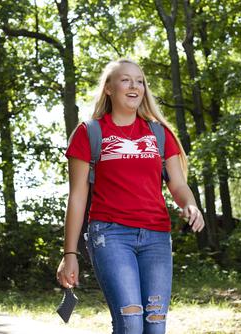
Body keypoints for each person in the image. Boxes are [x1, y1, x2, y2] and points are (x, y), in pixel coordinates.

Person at [56, 59, 205, 334]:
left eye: (139, 80)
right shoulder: (89, 132)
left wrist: (191, 205)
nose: (134, 85)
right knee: (131, 323)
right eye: (125, 80)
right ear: (109, 88)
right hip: (110, 235)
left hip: (157, 237)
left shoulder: (159, 133)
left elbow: (178, 185)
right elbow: (77, 197)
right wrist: (70, 253)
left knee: (155, 326)